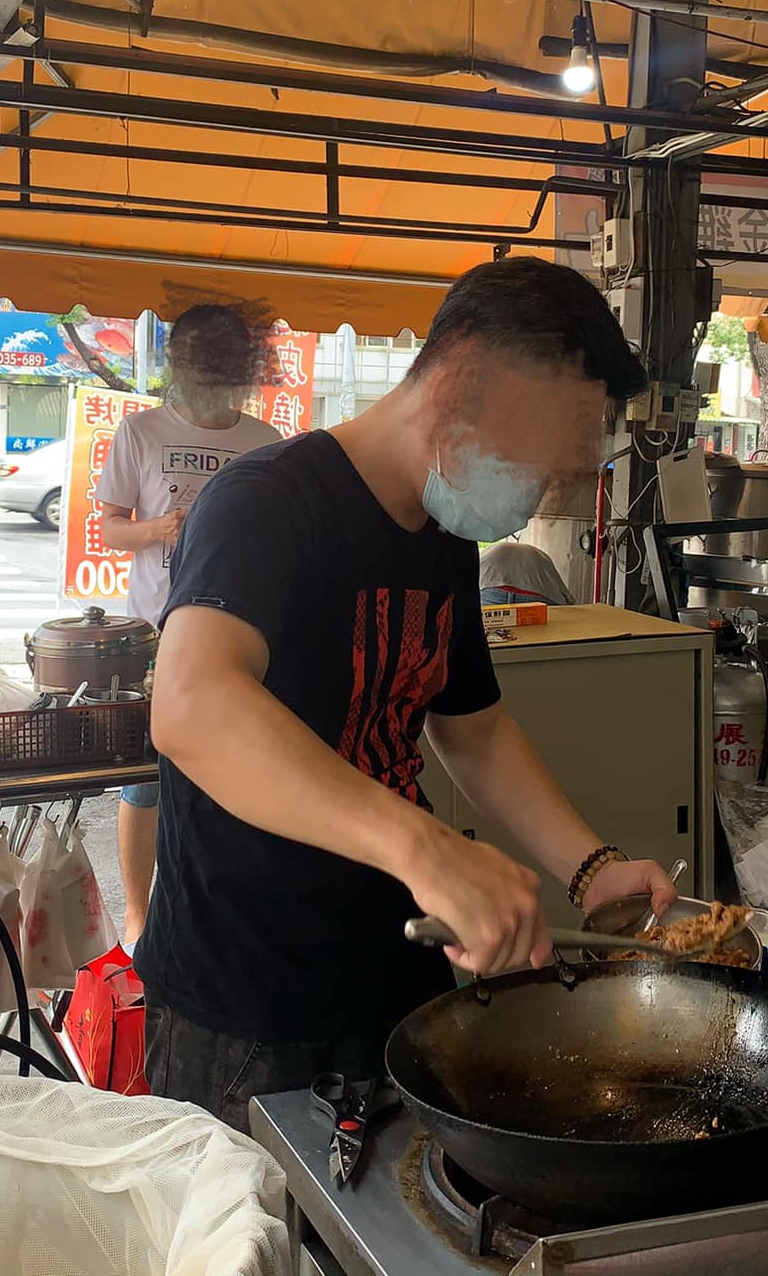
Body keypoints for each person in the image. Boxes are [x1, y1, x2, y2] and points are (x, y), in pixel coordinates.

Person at [140, 258, 676, 1132]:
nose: (540, 491)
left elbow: (474, 727)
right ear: (464, 377)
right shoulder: (269, 502)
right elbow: (193, 704)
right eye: (543, 457)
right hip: (248, 1004)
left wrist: (590, 865)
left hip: (396, 975)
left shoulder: (438, 535)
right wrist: (427, 851)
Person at [96, 304, 282, 949]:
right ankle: (139, 914)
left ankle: (217, 913)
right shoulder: (141, 432)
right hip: (154, 632)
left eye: (224, 359)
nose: (212, 372)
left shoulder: (266, 443)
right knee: (145, 779)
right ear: (177, 363)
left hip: (242, 636)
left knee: (230, 773)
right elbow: (110, 527)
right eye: (199, 357)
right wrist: (158, 530)